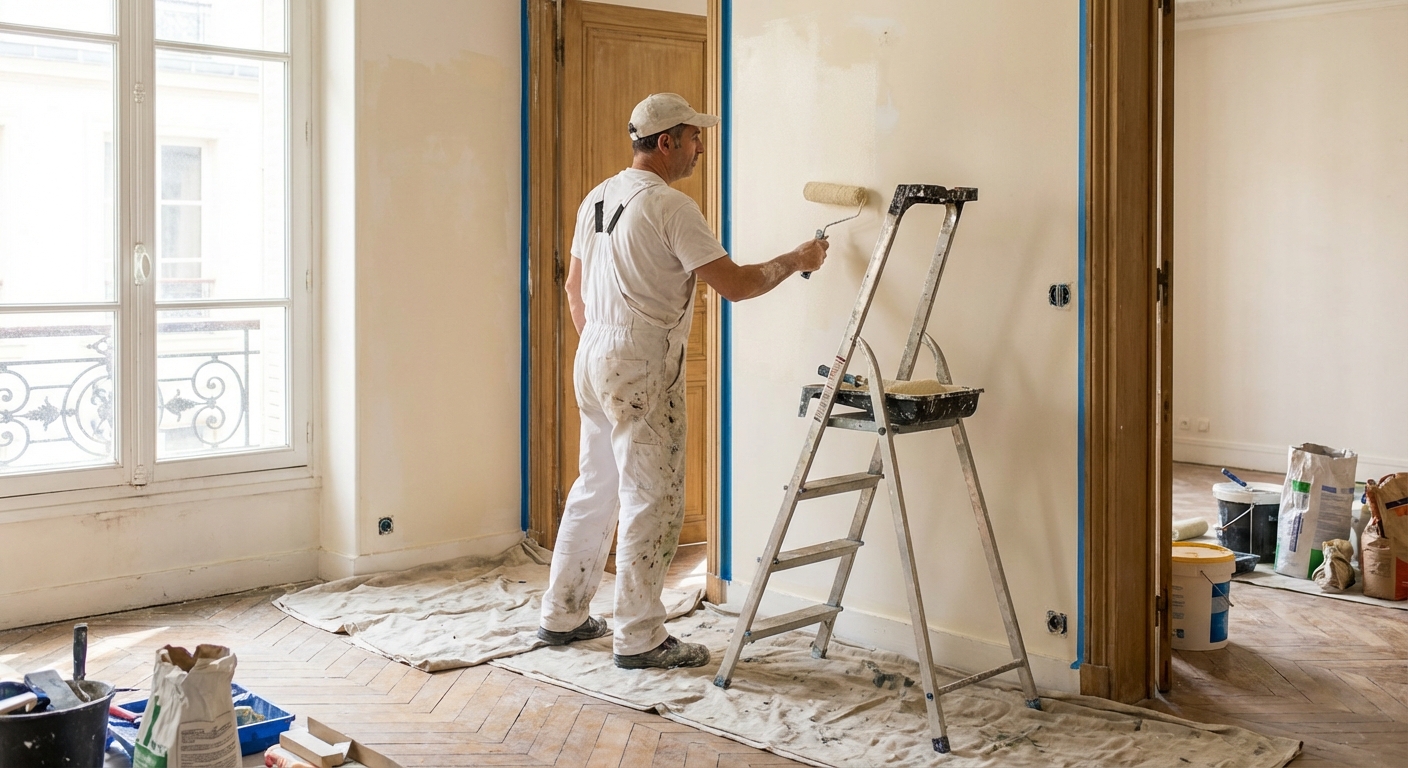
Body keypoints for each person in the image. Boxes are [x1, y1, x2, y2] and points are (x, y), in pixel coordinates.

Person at [536, 93, 829, 669]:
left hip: (593, 354)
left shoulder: (597, 197)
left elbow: (574, 289)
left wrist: (603, 347)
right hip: (637, 362)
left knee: (595, 485)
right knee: (653, 496)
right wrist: (798, 258)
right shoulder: (669, 207)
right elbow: (738, 285)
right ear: (666, 141)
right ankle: (640, 636)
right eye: (694, 137)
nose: (700, 147)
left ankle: (562, 615)